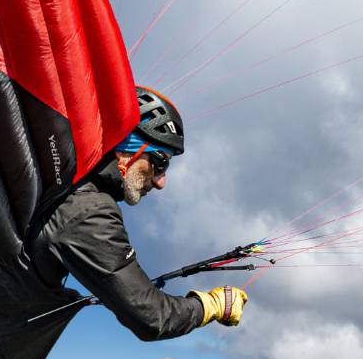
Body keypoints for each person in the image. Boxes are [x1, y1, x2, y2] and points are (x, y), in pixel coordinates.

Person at [30, 87, 247, 339]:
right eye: (160, 164)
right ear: (125, 150)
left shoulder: (64, 187)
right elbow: (152, 316)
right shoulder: (87, 209)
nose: (160, 182)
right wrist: (212, 305)